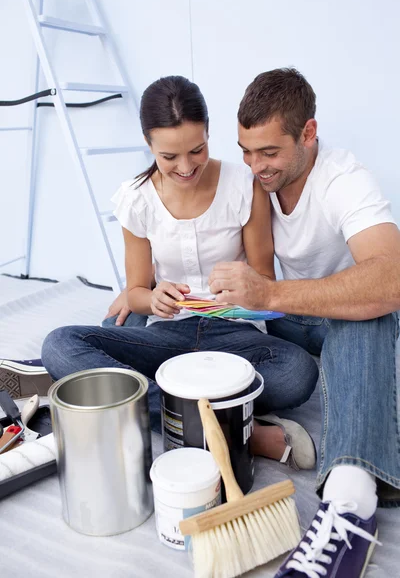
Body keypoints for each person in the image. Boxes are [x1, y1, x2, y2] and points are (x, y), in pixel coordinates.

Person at [39, 75, 319, 470]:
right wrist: (152, 298)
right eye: (169, 157)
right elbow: (135, 291)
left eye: (197, 150)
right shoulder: (136, 200)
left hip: (234, 336)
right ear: (149, 145)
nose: (186, 167)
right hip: (169, 337)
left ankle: (157, 410)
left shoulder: (243, 185)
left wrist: (240, 292)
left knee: (297, 372)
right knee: (58, 345)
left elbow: (265, 283)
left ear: (208, 135)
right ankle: (236, 431)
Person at [205, 68, 400, 578]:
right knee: (165, 328)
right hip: (282, 318)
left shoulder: (344, 179)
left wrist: (268, 291)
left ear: (308, 134)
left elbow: (391, 281)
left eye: (269, 153)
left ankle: (350, 500)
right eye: (246, 151)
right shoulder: (247, 179)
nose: (255, 166)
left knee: (369, 314)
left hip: (335, 317)